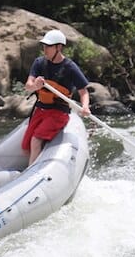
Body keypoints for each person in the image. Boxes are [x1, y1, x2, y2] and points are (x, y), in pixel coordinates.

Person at [23, 29, 91, 166]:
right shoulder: (39, 63)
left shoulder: (70, 68)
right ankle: (38, 162)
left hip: (58, 113)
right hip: (40, 110)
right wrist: (35, 86)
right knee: (25, 147)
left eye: (48, 46)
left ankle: (30, 173)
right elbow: (28, 85)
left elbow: (83, 92)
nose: (45, 49)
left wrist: (85, 107)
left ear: (58, 47)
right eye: (44, 46)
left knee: (35, 141)